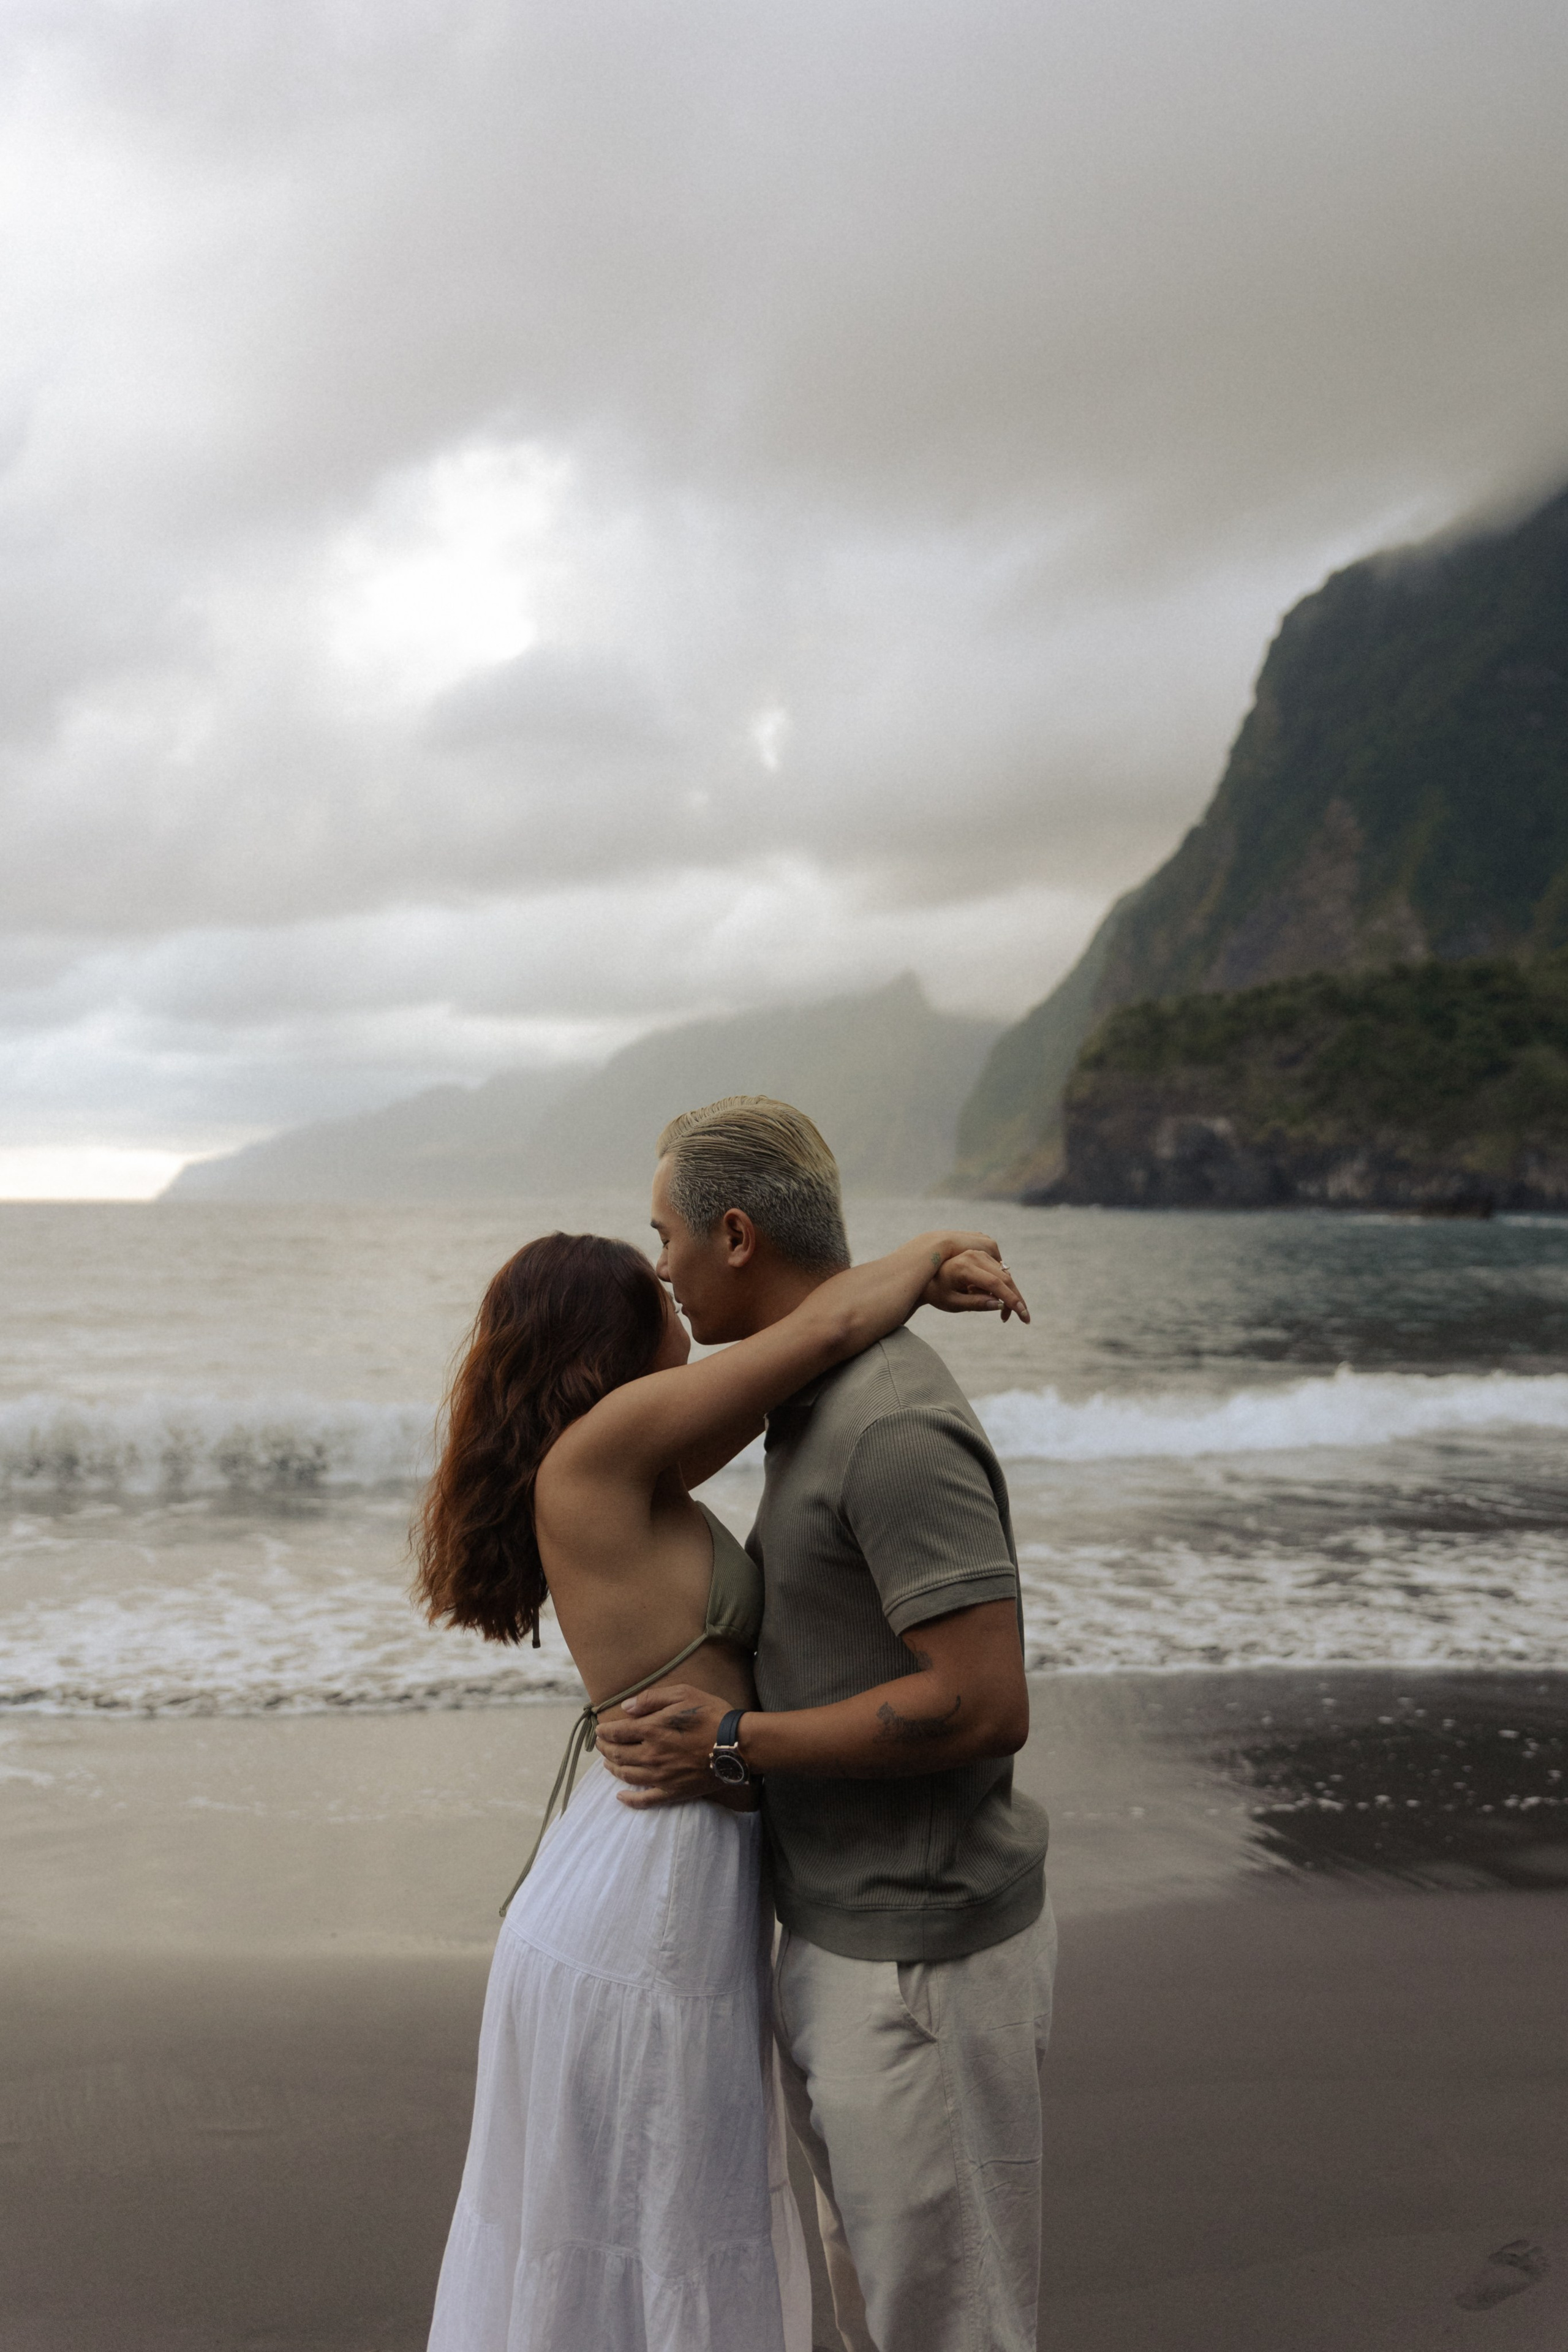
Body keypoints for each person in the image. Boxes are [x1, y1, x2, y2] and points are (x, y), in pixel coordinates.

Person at [415, 1203, 1027, 2352]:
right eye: (653, 1285)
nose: (670, 1280)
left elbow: (807, 1363)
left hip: (650, 1855)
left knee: (653, 2209)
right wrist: (930, 1252)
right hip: (646, 1881)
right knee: (663, 2206)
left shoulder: (634, 1463)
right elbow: (820, 1328)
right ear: (610, 1339)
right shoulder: (603, 1451)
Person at [597, 1096, 1055, 2352]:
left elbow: (980, 1698)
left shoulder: (888, 1422)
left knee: (949, 2319)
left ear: (733, 1234)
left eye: (666, 1236)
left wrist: (730, 1747)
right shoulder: (814, 1394)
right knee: (879, 2301)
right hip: (850, 1930)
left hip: (920, 1956)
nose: (660, 1269)